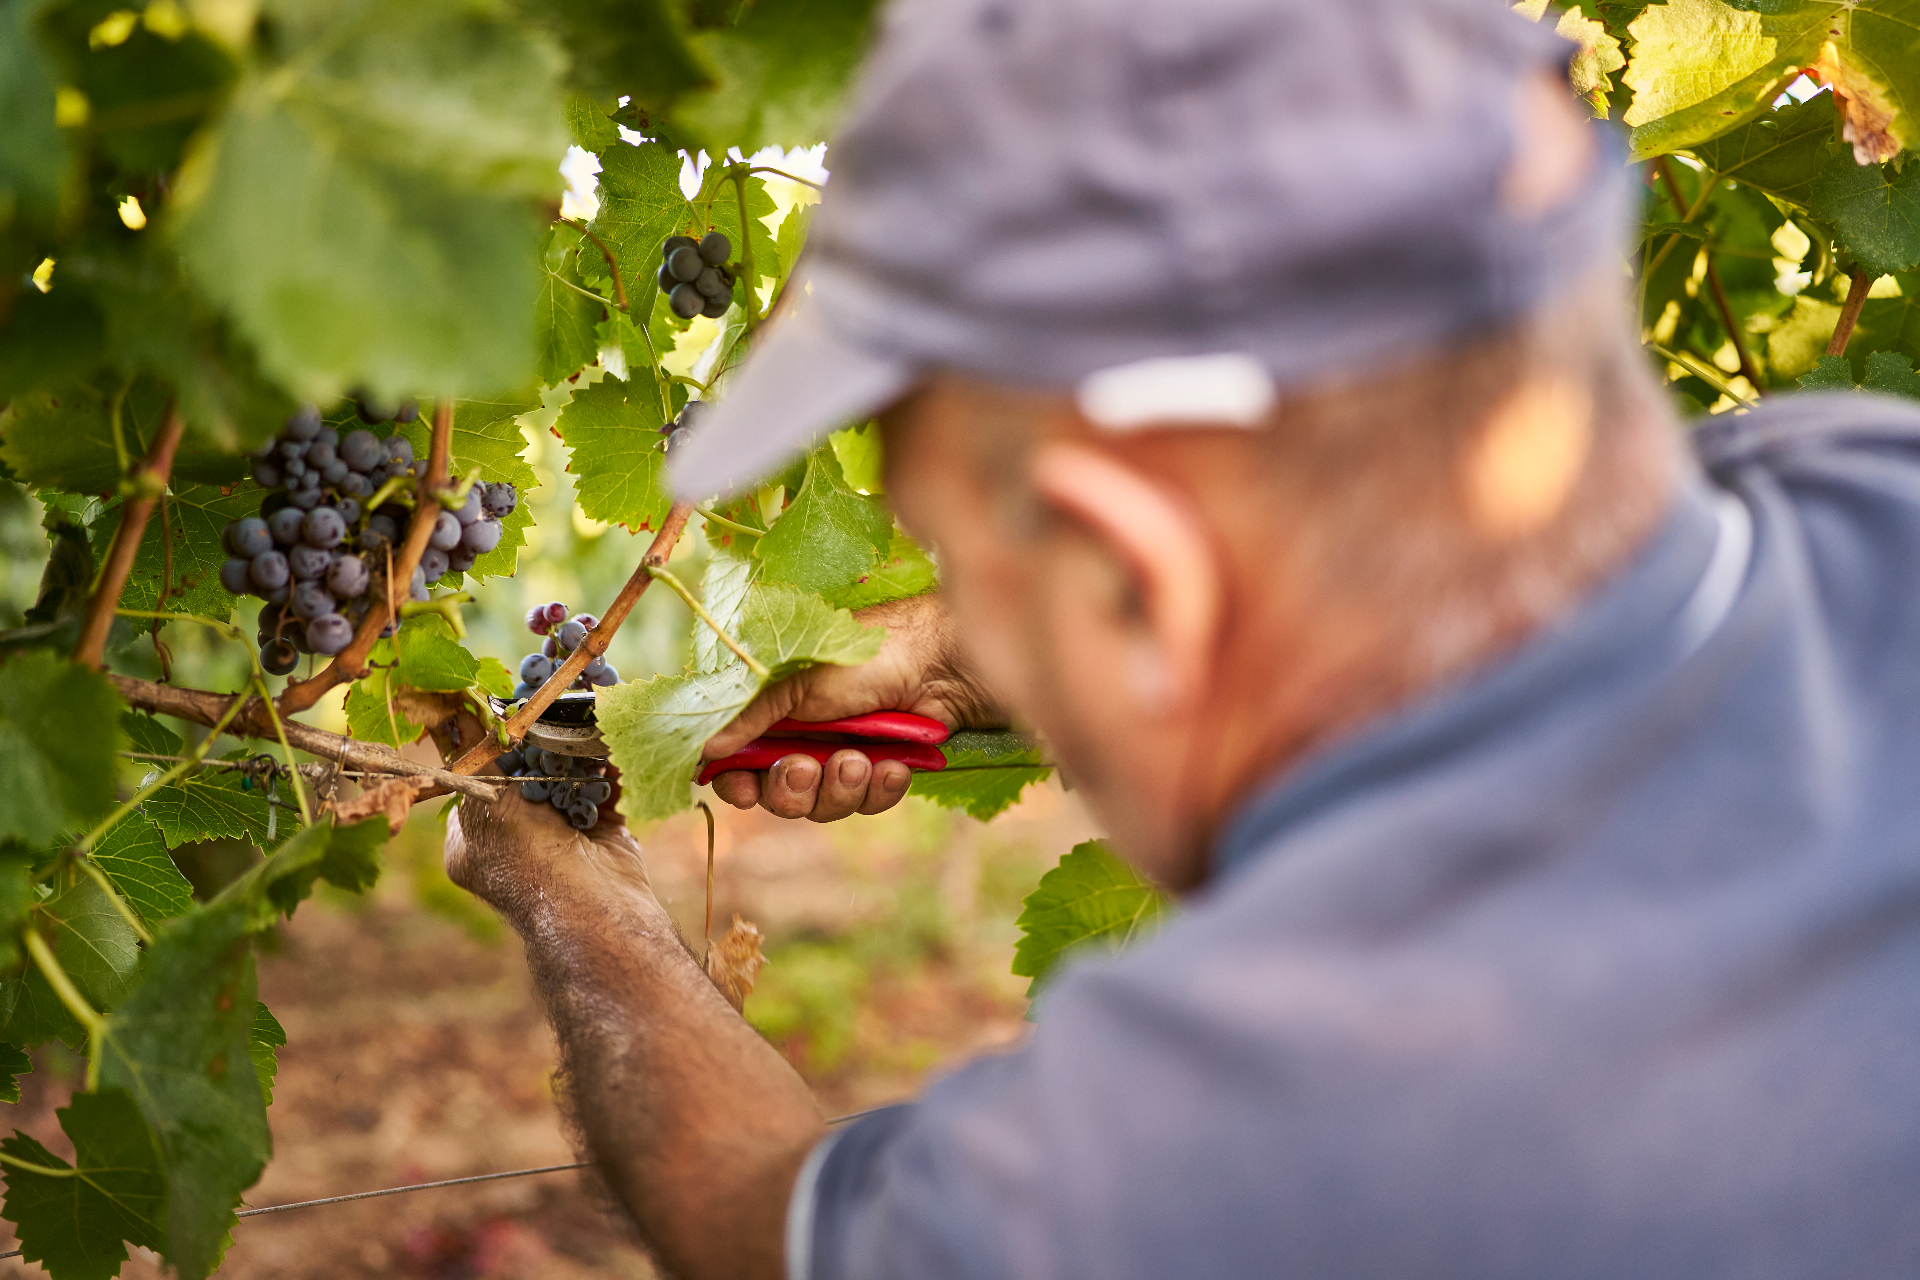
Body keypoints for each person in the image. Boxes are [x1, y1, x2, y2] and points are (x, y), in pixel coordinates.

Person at [445, 0, 1920, 1275]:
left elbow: (775, 1231)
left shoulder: (1274, 1116)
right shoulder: (1863, 484)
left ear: (1143, 572)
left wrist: (575, 896)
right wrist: (970, 649)